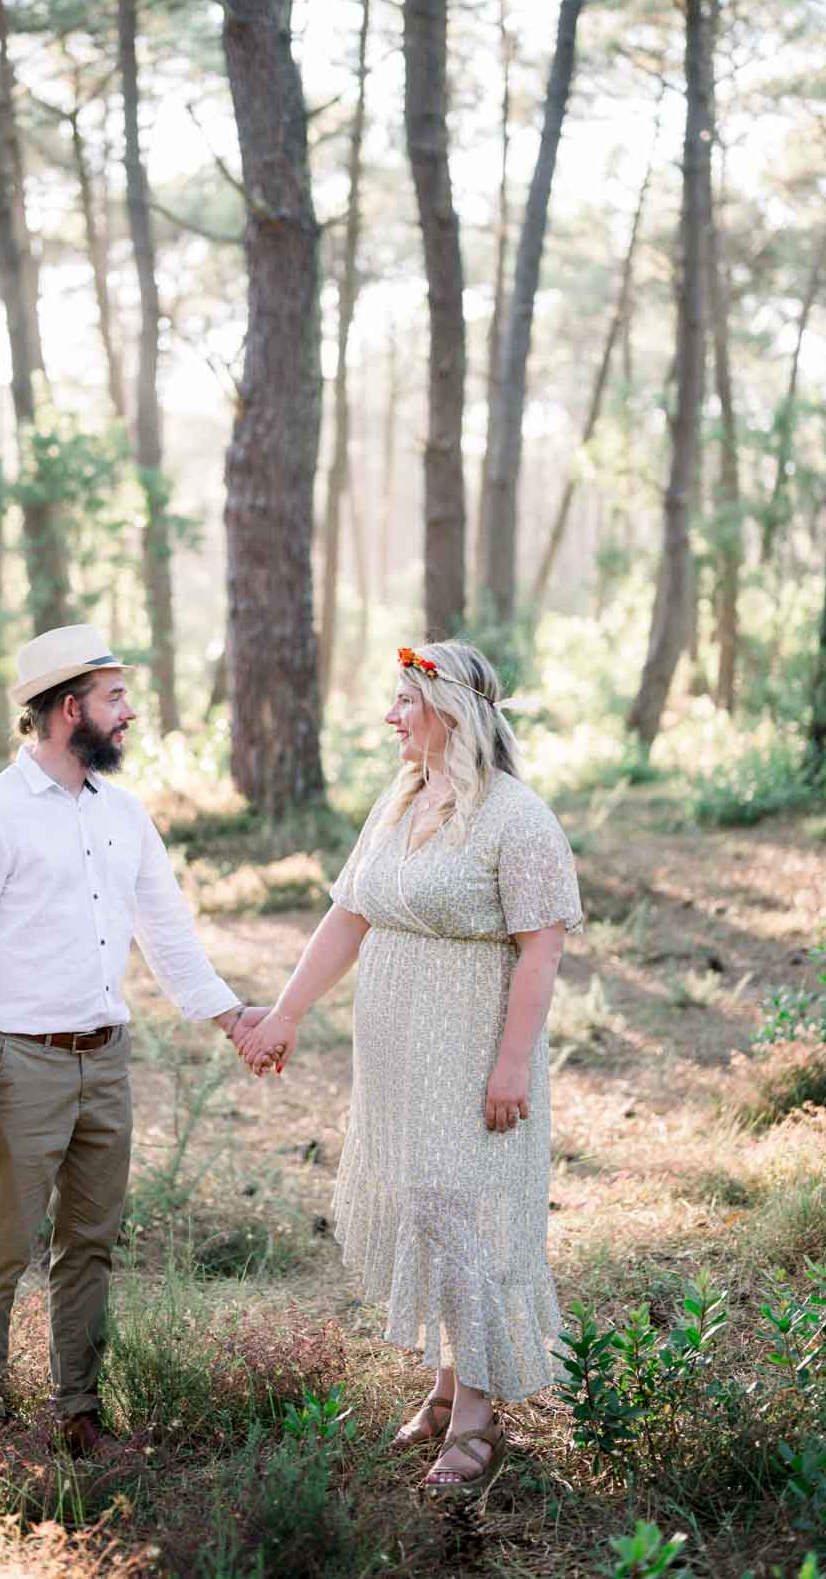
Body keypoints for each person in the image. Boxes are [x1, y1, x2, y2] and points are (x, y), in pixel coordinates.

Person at [239, 640, 582, 1496]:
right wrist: (284, 1013)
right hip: (395, 1054)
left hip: (472, 1052)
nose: (390, 717)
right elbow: (346, 919)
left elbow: (539, 956)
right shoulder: (398, 803)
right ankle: (443, 1386)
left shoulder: (518, 817)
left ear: (452, 714)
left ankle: (476, 1417)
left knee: (460, 1209)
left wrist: (511, 1067)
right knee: (427, 1210)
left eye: (404, 702)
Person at [0, 623, 265, 1453]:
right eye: (116, 698)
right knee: (1, 1246)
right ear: (68, 708)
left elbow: (168, 932)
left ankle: (80, 1415)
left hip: (106, 1059)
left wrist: (233, 1017)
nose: (131, 714)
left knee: (91, 1247)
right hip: (19, 1063)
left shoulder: (123, 814)